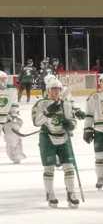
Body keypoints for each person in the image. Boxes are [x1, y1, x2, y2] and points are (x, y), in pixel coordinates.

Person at [31, 78, 80, 209]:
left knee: (69, 166)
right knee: (49, 168)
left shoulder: (66, 103)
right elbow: (36, 121)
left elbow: (73, 120)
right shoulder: (41, 103)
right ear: (48, 90)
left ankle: (71, 193)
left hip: (64, 138)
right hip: (47, 138)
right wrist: (47, 113)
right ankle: (50, 193)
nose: (57, 91)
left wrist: (70, 125)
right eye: (54, 89)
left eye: (58, 89)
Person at [0, 71, 26, 164]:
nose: (5, 80)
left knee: (13, 137)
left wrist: (14, 116)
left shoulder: (10, 89)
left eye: (5, 78)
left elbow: (14, 102)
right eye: (2, 78)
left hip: (7, 118)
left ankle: (16, 156)